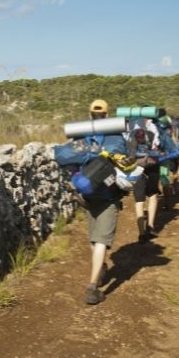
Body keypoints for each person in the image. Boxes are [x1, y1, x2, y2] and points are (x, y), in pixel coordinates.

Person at [79, 98, 127, 305]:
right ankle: (92, 287)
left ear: (90, 115)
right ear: (108, 116)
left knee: (94, 238)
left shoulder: (81, 136)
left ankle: (99, 270)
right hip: (108, 195)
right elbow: (126, 164)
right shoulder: (116, 138)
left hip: (86, 195)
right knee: (101, 241)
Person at [124, 113, 162, 243]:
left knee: (139, 201)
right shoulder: (151, 132)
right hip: (152, 168)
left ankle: (141, 233)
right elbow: (157, 148)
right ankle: (150, 226)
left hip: (136, 169)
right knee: (152, 196)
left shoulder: (129, 135)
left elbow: (127, 154)